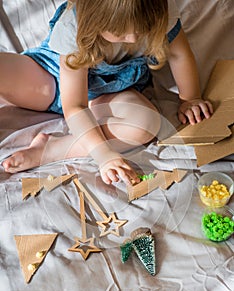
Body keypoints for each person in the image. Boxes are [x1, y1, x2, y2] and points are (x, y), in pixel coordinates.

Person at [0, 0, 213, 185]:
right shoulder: (71, 26)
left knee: (146, 124)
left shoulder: (161, 12)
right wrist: (103, 154)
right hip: (50, 77)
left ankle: (52, 149)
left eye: (142, 30)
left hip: (111, 91)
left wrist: (190, 97)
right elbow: (74, 105)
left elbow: (180, 56)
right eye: (120, 32)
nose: (131, 38)